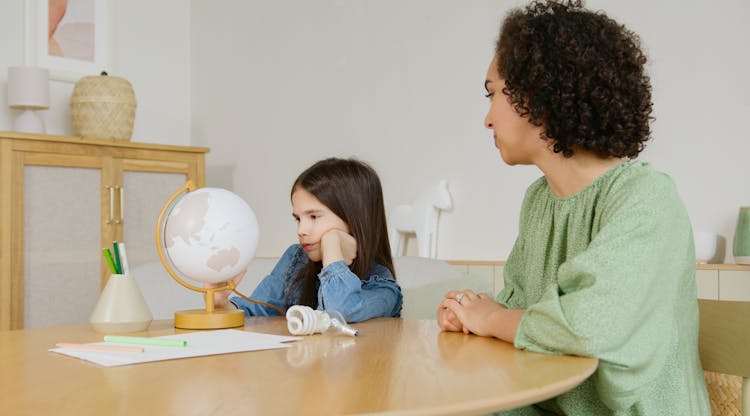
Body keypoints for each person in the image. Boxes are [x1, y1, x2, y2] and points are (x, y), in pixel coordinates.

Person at [437, 1, 710, 414]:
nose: (487, 120)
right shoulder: (538, 201)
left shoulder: (647, 197)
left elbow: (590, 326)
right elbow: (518, 307)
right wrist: (469, 314)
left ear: (541, 96)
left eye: (493, 94)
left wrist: (491, 321)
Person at [211, 157, 402, 323]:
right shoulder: (296, 259)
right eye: (298, 218)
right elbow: (258, 315)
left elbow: (340, 311)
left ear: (355, 218)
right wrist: (221, 303)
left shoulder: (381, 285)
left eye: (314, 217)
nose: (301, 230)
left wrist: (333, 245)